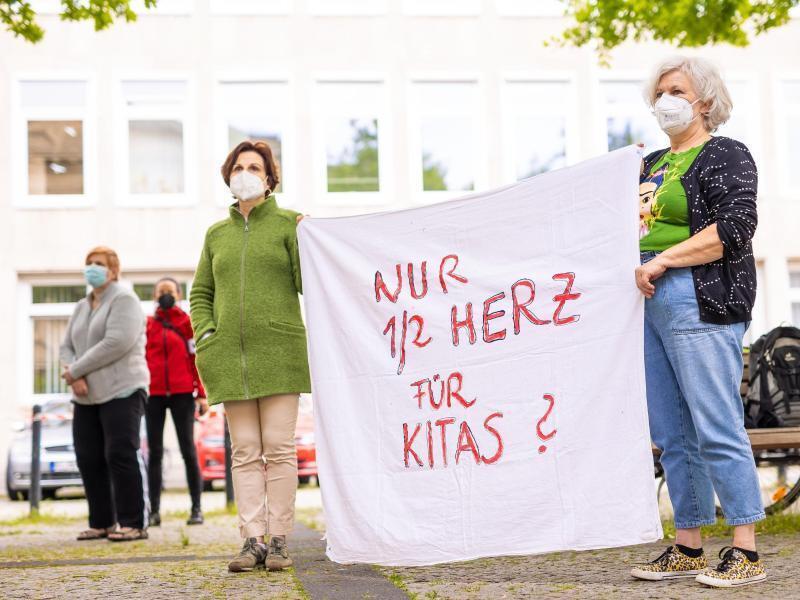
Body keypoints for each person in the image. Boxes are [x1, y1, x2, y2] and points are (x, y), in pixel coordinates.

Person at [629, 56, 766, 587]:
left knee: (715, 423)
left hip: (697, 296)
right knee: (672, 430)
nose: (664, 99)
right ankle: (688, 543)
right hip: (649, 301)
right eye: (659, 90)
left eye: (676, 89)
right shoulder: (650, 164)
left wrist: (664, 259)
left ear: (703, 101)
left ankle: (746, 549)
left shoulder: (725, 155)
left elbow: (734, 226)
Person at [190, 140, 310, 572]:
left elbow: (306, 282)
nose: (245, 173)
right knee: (243, 452)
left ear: (269, 177)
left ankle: (278, 540)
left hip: (280, 353)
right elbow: (201, 293)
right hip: (230, 359)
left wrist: (308, 238)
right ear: (229, 176)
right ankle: (251, 541)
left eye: (254, 167)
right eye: (238, 166)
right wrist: (206, 332)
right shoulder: (215, 235)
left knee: (278, 449)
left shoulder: (286, 224)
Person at [60, 246, 150, 542]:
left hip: (121, 388)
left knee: (120, 453)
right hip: (85, 393)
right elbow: (66, 347)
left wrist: (76, 370)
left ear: (113, 270)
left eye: (98, 264)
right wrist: (74, 376)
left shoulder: (125, 300)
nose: (92, 268)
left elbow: (116, 342)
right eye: (89, 263)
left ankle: (133, 523)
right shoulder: (81, 306)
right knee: (89, 456)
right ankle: (102, 522)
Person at [145, 276, 208, 527]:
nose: (165, 295)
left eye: (169, 291)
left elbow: (197, 360)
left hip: (182, 393)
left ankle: (196, 509)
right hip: (154, 395)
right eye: (161, 291)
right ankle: (153, 511)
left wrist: (201, 393)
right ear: (154, 296)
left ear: (179, 295)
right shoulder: (148, 325)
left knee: (188, 451)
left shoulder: (187, 324)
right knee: (155, 454)